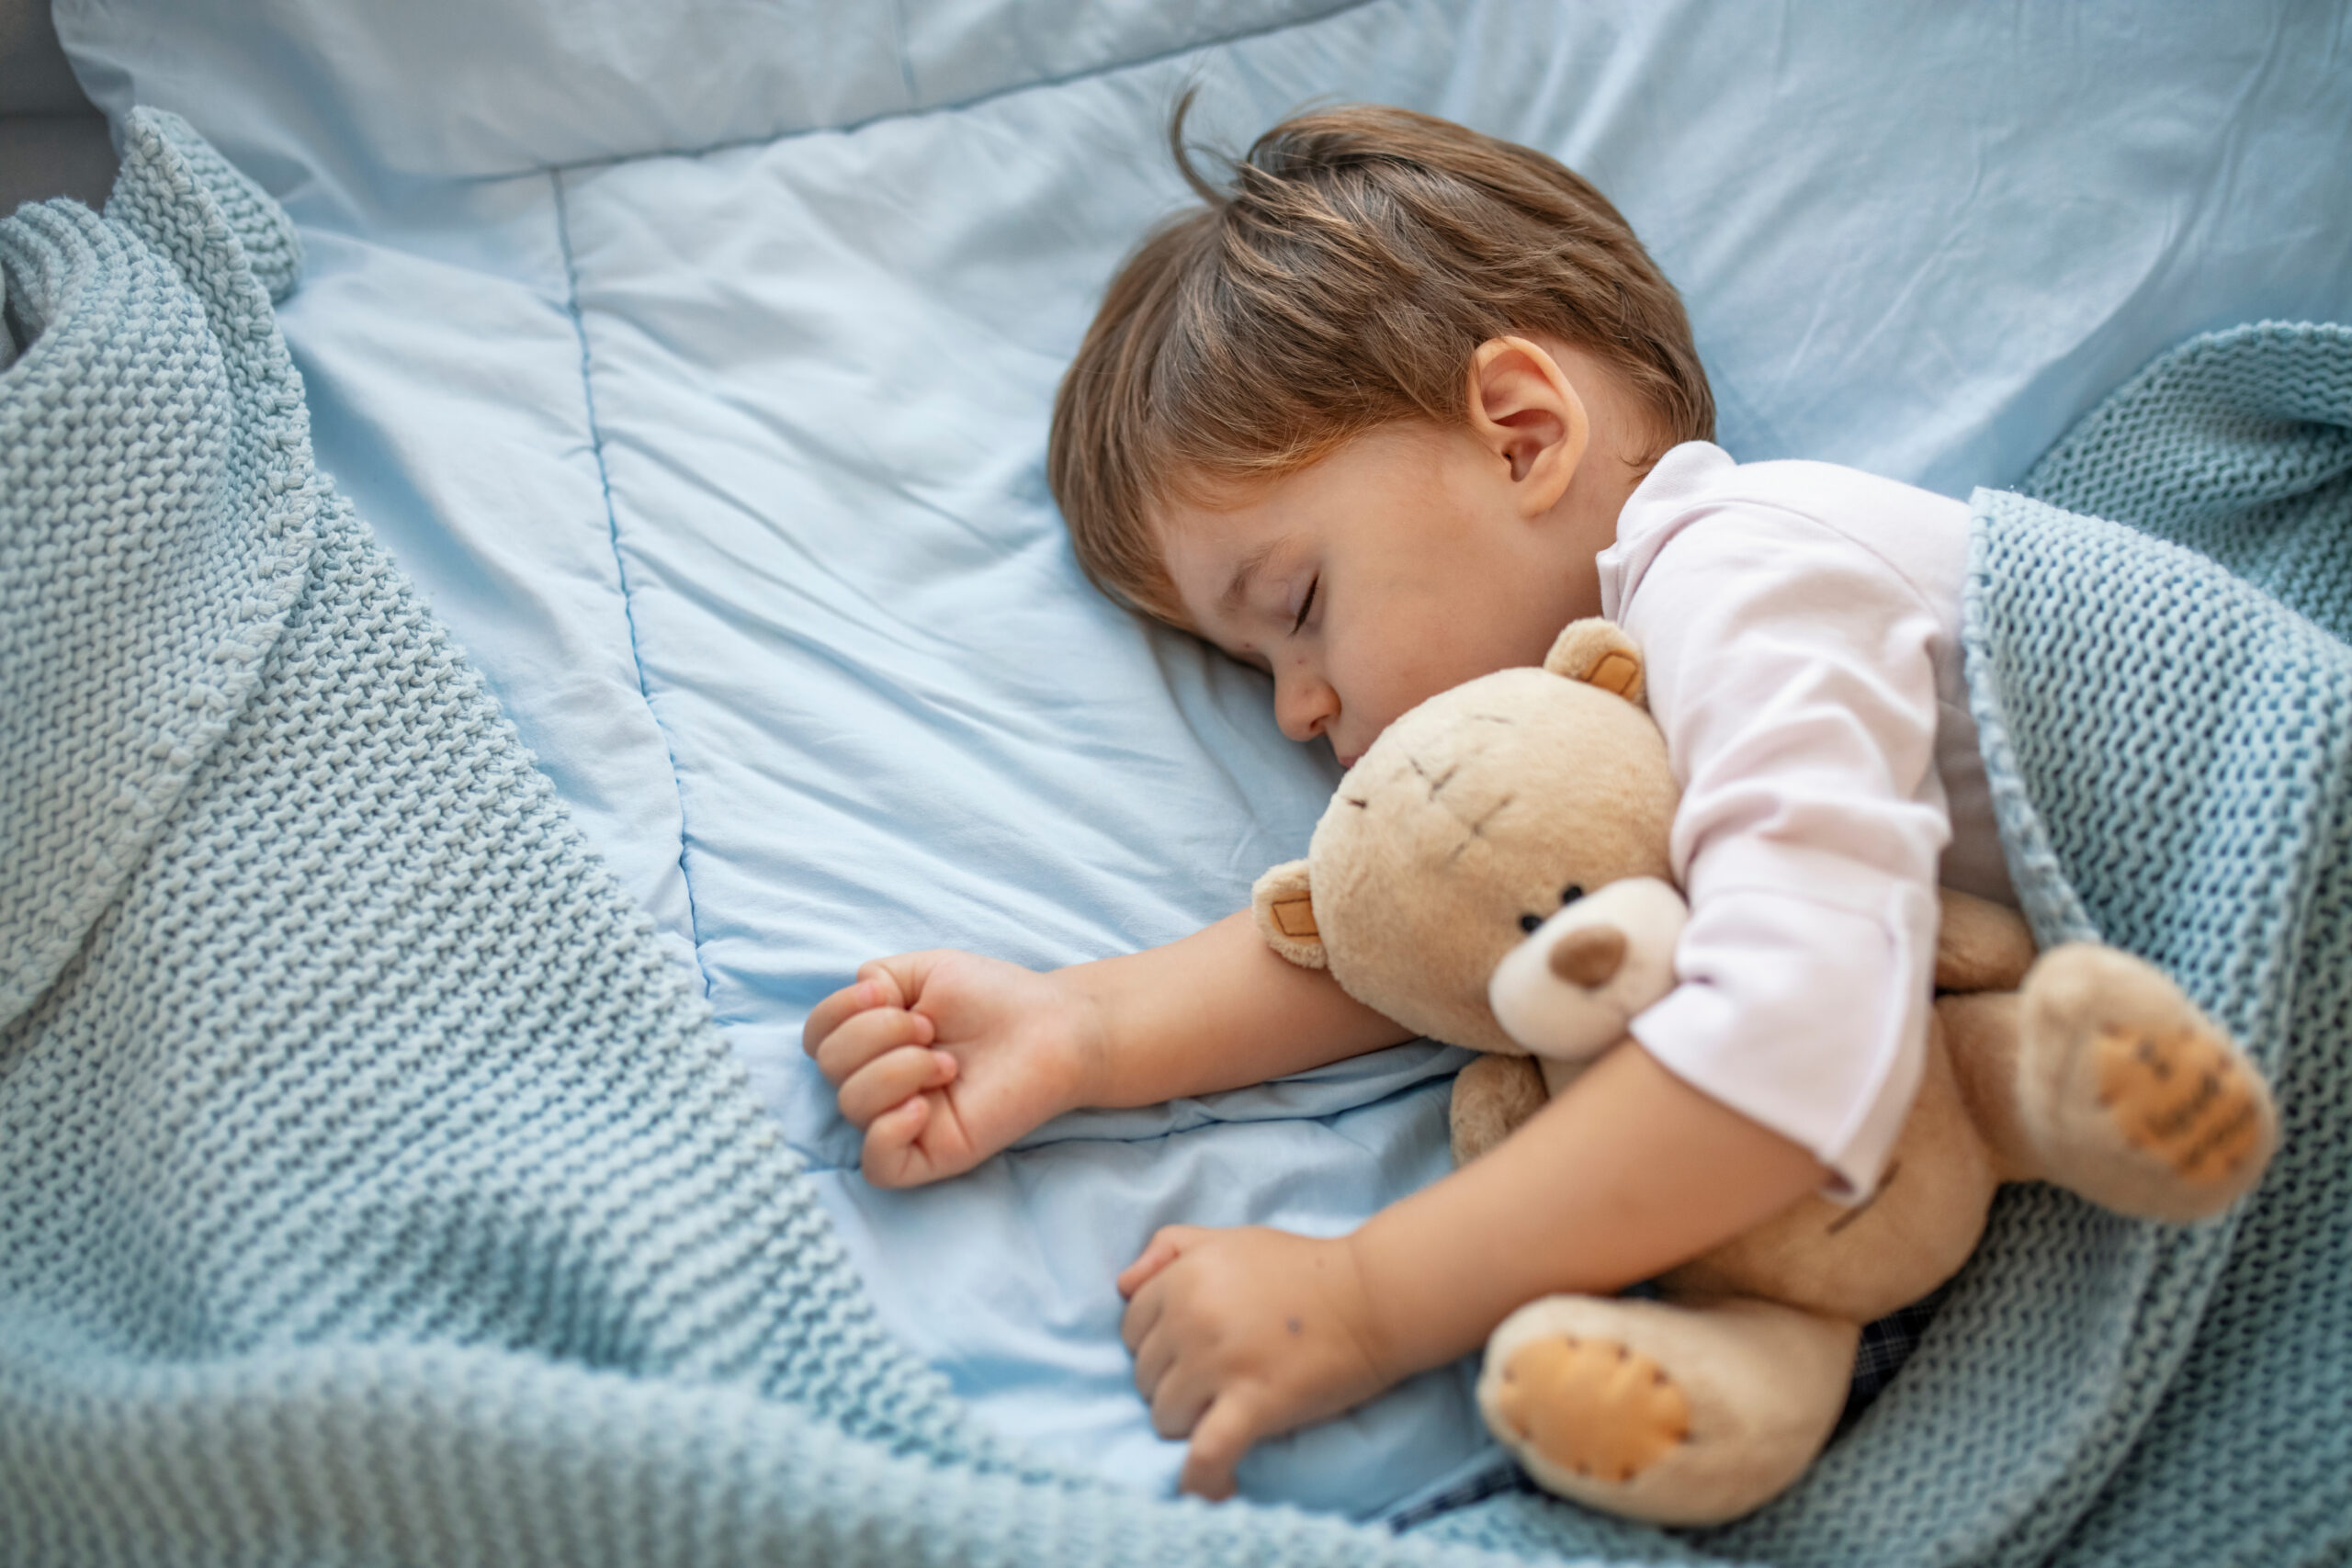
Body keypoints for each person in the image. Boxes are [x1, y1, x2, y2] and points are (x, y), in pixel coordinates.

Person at [800, 102, 2015, 1501]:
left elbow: (1797, 1041)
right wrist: (1082, 1029)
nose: (1293, 710)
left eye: (1298, 606)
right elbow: (1453, 912)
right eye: (1250, 664)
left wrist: (1369, 1299)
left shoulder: (1751, 582)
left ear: (1516, 435)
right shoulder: (1617, 733)